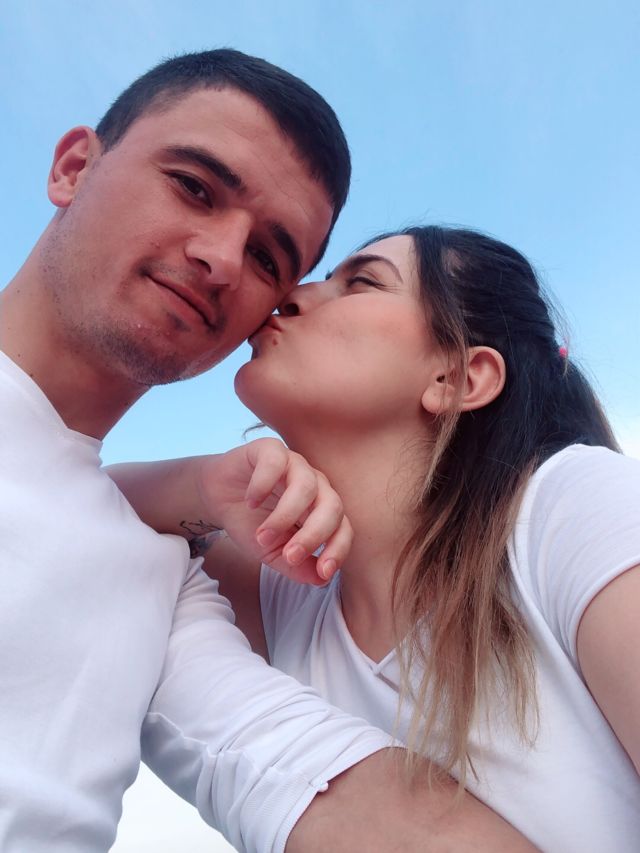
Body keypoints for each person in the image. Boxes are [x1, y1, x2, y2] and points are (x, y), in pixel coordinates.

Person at [0, 49, 535, 853]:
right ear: (74, 167)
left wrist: (207, 490)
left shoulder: (160, 582)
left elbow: (296, 768)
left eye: (268, 259)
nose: (222, 260)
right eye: (194, 187)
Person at [120, 226, 640, 851]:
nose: (290, 295)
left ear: (458, 377)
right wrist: (203, 487)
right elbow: (82, 516)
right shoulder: (288, 583)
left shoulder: (573, 509)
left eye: (361, 282)